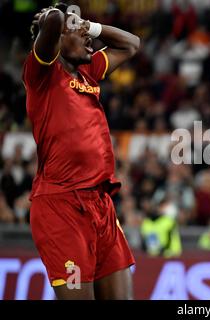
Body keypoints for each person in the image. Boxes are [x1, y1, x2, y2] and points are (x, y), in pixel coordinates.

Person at [23, 3, 140, 299]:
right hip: (61, 208)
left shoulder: (89, 71)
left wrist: (87, 26)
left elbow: (131, 45)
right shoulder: (42, 74)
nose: (89, 39)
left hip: (100, 205)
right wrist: (61, 18)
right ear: (59, 40)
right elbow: (53, 20)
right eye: (78, 31)